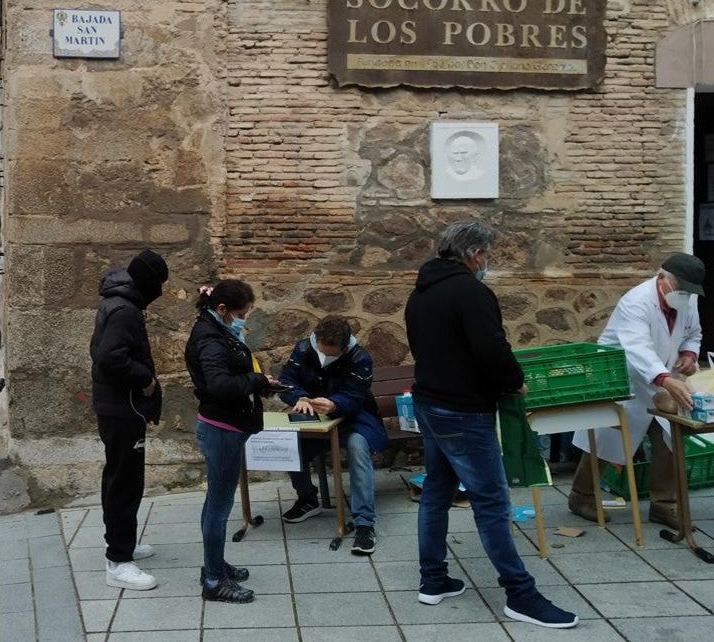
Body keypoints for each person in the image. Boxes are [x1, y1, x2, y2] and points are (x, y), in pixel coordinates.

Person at [404, 221, 577, 629]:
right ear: (475, 254)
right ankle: (520, 593)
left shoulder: (420, 293)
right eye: (487, 255)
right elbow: (491, 347)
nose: (487, 262)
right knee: (492, 504)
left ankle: (433, 580)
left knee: (436, 492)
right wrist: (514, 380)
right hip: (464, 411)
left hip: (430, 404)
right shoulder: (471, 291)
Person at [568, 254, 705, 530]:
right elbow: (637, 348)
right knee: (607, 441)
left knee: (669, 437)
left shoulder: (686, 299)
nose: (685, 296)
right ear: (662, 277)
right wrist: (666, 378)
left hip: (659, 379)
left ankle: (663, 505)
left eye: (689, 291)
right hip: (624, 376)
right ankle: (581, 497)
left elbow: (693, 332)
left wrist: (689, 354)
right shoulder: (637, 301)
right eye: (681, 289)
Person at [185, 279, 281, 604]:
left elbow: (231, 374)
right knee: (220, 505)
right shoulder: (210, 338)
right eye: (241, 313)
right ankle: (213, 580)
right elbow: (221, 385)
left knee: (215, 500)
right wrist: (255, 380)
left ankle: (214, 565)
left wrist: (259, 384)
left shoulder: (217, 330)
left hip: (226, 424)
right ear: (222, 309)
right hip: (222, 428)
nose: (244, 319)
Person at [90, 250, 168, 591]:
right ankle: (119, 561)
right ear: (148, 282)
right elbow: (109, 357)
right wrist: (145, 379)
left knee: (120, 477)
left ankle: (123, 543)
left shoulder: (117, 302)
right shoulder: (125, 310)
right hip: (124, 409)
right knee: (124, 481)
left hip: (118, 407)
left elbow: (100, 351)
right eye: (159, 284)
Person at [277, 315, 385, 555]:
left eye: (332, 354)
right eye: (321, 350)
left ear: (344, 348)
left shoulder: (360, 358)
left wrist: (334, 403)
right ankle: (307, 498)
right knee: (290, 445)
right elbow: (286, 380)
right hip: (315, 419)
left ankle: (365, 524)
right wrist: (299, 397)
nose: (324, 357)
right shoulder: (304, 348)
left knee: (358, 448)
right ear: (316, 340)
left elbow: (355, 396)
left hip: (355, 420)